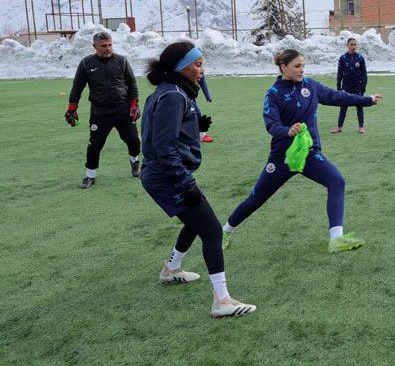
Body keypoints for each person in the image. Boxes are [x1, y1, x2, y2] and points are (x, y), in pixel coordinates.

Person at [222, 49, 382, 253]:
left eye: (303, 66)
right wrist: (287, 131)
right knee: (256, 199)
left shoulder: (310, 86)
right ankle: (226, 230)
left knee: (337, 181)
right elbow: (271, 124)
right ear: (283, 67)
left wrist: (367, 100)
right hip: (283, 157)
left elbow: (338, 97)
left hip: (308, 154)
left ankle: (336, 239)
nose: (302, 70)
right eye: (297, 66)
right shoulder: (273, 93)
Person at [140, 41, 256, 318]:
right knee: (212, 231)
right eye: (198, 64)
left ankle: (171, 269)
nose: (202, 70)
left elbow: (164, 130)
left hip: (167, 173)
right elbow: (163, 146)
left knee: (196, 222)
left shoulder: (170, 91)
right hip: (166, 176)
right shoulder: (173, 96)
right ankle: (221, 301)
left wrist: (194, 125)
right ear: (181, 68)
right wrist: (185, 183)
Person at [66, 31, 141, 189]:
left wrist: (134, 104)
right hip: (100, 112)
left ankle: (134, 162)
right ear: (95, 46)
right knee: (95, 145)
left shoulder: (122, 61)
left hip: (122, 109)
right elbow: (77, 87)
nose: (108, 48)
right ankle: (90, 176)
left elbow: (132, 83)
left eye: (110, 45)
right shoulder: (86, 63)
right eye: (104, 46)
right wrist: (72, 108)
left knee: (133, 140)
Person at [331, 37, 369, 134]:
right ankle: (339, 127)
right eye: (351, 44)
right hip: (346, 86)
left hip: (357, 85)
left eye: (355, 44)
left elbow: (364, 74)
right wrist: (338, 85)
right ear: (348, 45)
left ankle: (361, 127)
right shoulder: (343, 58)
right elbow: (339, 73)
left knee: (359, 105)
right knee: (343, 106)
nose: (353, 46)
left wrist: (363, 86)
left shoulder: (360, 57)